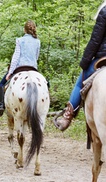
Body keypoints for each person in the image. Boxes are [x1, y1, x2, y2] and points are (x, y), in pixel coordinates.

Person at [56, 1, 106, 130]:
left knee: (80, 82)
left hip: (103, 57)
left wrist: (85, 62)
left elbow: (95, 40)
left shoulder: (105, 10)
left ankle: (67, 117)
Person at [0, 20, 40, 116]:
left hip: (20, 68)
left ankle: (1, 105)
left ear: (24, 30)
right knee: (45, 84)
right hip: (33, 69)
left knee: (1, 84)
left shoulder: (19, 40)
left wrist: (10, 72)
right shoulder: (37, 41)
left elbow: (16, 57)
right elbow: (36, 57)